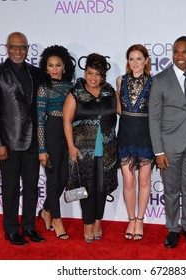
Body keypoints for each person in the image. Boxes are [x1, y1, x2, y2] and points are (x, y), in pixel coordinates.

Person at [148, 36, 186, 248]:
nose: (179, 56)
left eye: (184, 52)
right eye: (176, 52)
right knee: (171, 190)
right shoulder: (160, 79)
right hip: (169, 145)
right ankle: (173, 229)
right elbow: (154, 118)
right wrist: (158, 152)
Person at [0, 32, 45, 245]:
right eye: (14, 47)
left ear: (27, 49)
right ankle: (11, 229)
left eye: (22, 47)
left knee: (31, 186)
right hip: (8, 142)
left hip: (33, 142)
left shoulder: (36, 73)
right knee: (10, 188)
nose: (18, 51)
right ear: (7, 48)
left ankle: (29, 226)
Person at [63, 53, 118, 243]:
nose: (93, 78)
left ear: (103, 75)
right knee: (87, 188)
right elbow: (67, 120)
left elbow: (124, 110)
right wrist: (70, 146)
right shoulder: (75, 92)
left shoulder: (110, 92)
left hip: (107, 149)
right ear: (85, 72)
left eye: (97, 74)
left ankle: (97, 222)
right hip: (82, 150)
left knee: (101, 188)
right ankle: (87, 224)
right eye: (90, 73)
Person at [36, 45, 76, 240]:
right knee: (53, 179)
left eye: (58, 65)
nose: (54, 69)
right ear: (45, 67)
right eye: (50, 65)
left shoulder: (71, 88)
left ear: (64, 67)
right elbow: (40, 122)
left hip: (68, 136)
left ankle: (45, 209)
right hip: (51, 134)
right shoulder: (44, 88)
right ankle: (57, 220)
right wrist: (42, 149)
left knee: (63, 179)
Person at [116, 44, 154, 241]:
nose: (135, 62)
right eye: (131, 58)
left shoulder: (154, 82)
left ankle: (140, 219)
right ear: (128, 61)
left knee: (144, 180)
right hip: (125, 134)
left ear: (146, 60)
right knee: (128, 181)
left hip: (146, 135)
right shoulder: (120, 80)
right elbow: (118, 109)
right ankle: (131, 219)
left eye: (139, 58)